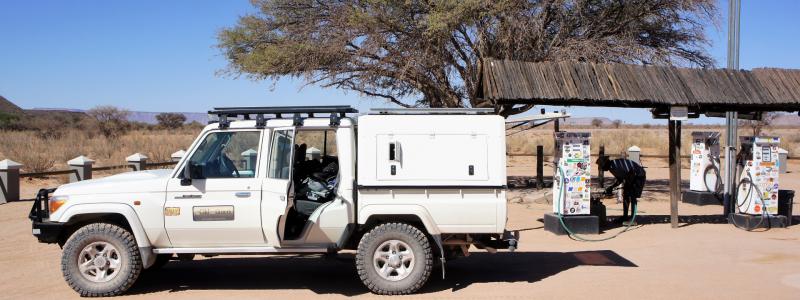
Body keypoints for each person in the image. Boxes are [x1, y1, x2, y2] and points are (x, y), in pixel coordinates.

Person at [596, 156, 646, 225]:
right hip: (632, 176)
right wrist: (611, 187)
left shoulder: (615, 165)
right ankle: (625, 216)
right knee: (626, 195)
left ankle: (633, 219)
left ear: (606, 164)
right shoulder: (612, 167)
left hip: (638, 176)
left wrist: (629, 185)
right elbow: (620, 179)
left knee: (633, 196)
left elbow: (631, 172)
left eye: (602, 166)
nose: (602, 168)